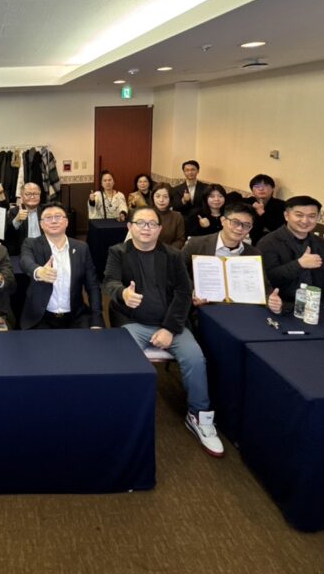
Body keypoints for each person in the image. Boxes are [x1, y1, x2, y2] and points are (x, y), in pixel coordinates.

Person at [102, 206, 224, 457]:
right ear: (130, 227)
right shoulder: (118, 252)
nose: (146, 228)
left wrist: (169, 328)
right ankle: (126, 416)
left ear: (159, 229)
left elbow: (183, 293)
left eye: (152, 224)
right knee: (124, 361)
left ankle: (199, 416)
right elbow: (109, 281)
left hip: (170, 324)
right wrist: (122, 293)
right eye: (140, 223)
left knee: (195, 359)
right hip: (132, 322)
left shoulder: (173, 255)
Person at [183, 203, 282, 313]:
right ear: (223, 221)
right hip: (205, 309)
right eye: (235, 222)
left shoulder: (254, 253)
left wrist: (271, 300)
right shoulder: (196, 244)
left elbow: (264, 287)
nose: (240, 228)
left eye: (246, 225)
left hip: (242, 310)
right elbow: (177, 274)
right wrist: (193, 292)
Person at [19, 203, 102, 330]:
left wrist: (96, 319)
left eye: (58, 217)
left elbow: (93, 286)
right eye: (48, 218)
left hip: (76, 316)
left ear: (67, 222)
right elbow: (25, 261)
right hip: (41, 318)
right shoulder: (31, 244)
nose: (53, 221)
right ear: (41, 224)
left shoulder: (81, 248)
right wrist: (39, 271)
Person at [257, 195, 324, 307]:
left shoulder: (323, 244)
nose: (305, 221)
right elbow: (267, 279)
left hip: (316, 307)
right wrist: (299, 264)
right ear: (286, 216)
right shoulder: (268, 243)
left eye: (312, 216)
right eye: (299, 215)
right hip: (281, 306)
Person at [5, 182, 43, 256]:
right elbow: (8, 236)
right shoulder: (14, 212)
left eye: (36, 194)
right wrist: (16, 220)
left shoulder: (45, 211)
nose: (32, 197)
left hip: (42, 251)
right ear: (22, 197)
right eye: (28, 194)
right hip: (22, 253)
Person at [247, 174, 285, 243]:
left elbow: (279, 229)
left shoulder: (281, 205)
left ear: (273, 188)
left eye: (266, 185)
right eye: (257, 186)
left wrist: (262, 212)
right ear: (252, 190)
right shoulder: (247, 203)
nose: (261, 189)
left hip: (271, 242)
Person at [151, 183, 186, 249]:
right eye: (157, 196)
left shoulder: (177, 217)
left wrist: (167, 251)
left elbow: (180, 240)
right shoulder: (145, 214)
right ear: (153, 198)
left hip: (170, 252)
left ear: (170, 198)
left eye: (165, 197)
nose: (161, 200)